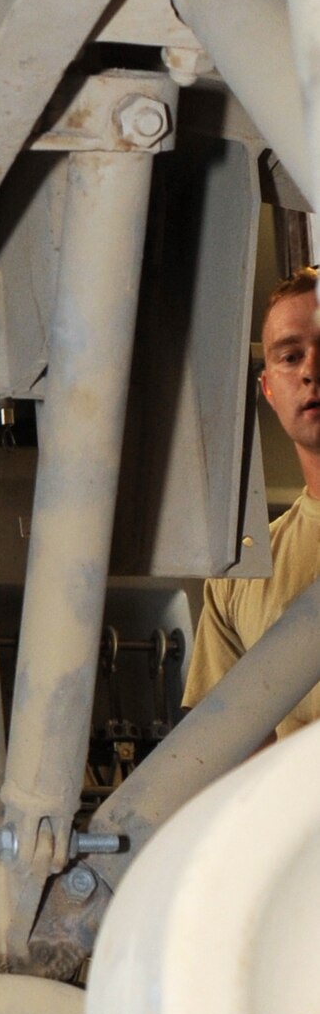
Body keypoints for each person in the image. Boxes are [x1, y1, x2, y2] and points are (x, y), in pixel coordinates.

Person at [184, 267, 320, 734]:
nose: (311, 371)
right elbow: (224, 748)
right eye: (290, 356)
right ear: (267, 389)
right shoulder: (239, 575)